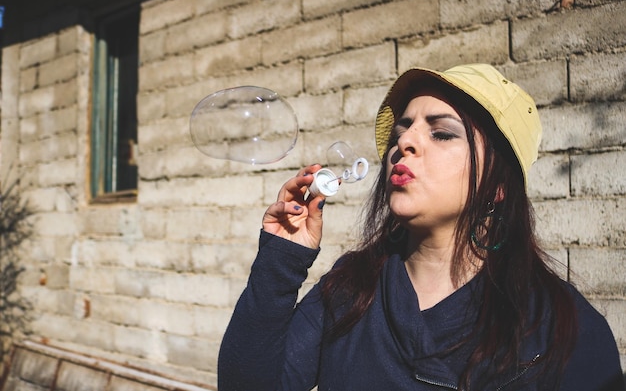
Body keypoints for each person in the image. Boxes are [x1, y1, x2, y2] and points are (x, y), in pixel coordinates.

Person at [217, 64, 625, 390]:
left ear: (498, 186)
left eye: (442, 133)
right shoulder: (348, 288)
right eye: (403, 128)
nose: (404, 142)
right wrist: (281, 258)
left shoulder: (560, 325)